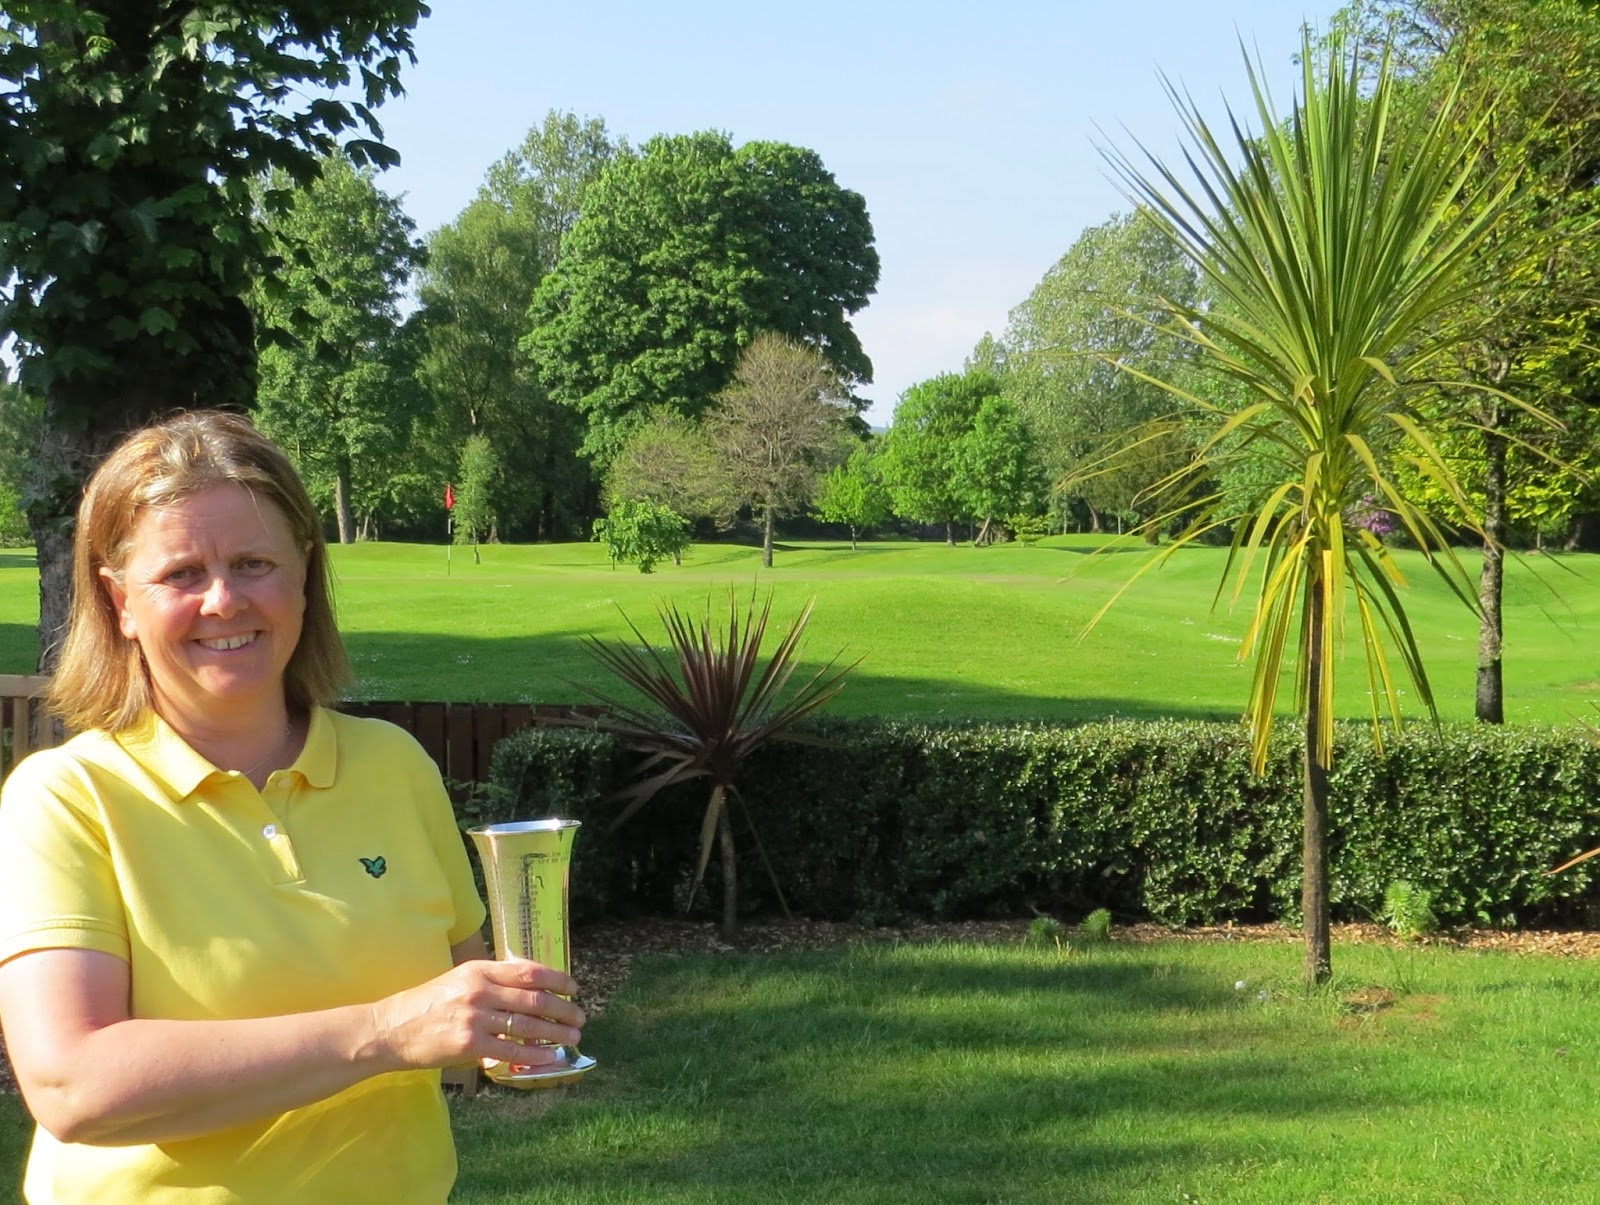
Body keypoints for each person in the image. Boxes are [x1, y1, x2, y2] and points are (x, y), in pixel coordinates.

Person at [0, 410, 585, 1202]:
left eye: (253, 563)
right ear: (120, 601)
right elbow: (72, 1084)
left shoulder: (394, 765)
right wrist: (385, 1031)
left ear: (304, 574)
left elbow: (458, 997)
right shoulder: (66, 799)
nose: (223, 600)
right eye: (181, 573)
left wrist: (515, 1022)